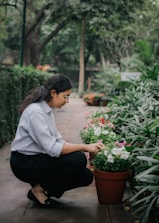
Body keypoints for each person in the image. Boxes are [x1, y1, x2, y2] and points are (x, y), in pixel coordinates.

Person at [10, 74, 104, 208]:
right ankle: (39, 190)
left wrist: (86, 147)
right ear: (53, 93)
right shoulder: (36, 112)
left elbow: (58, 141)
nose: (67, 101)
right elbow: (53, 149)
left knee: (86, 176)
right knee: (79, 159)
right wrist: (84, 147)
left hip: (38, 158)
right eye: (65, 96)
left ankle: (41, 188)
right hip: (24, 162)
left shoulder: (46, 110)